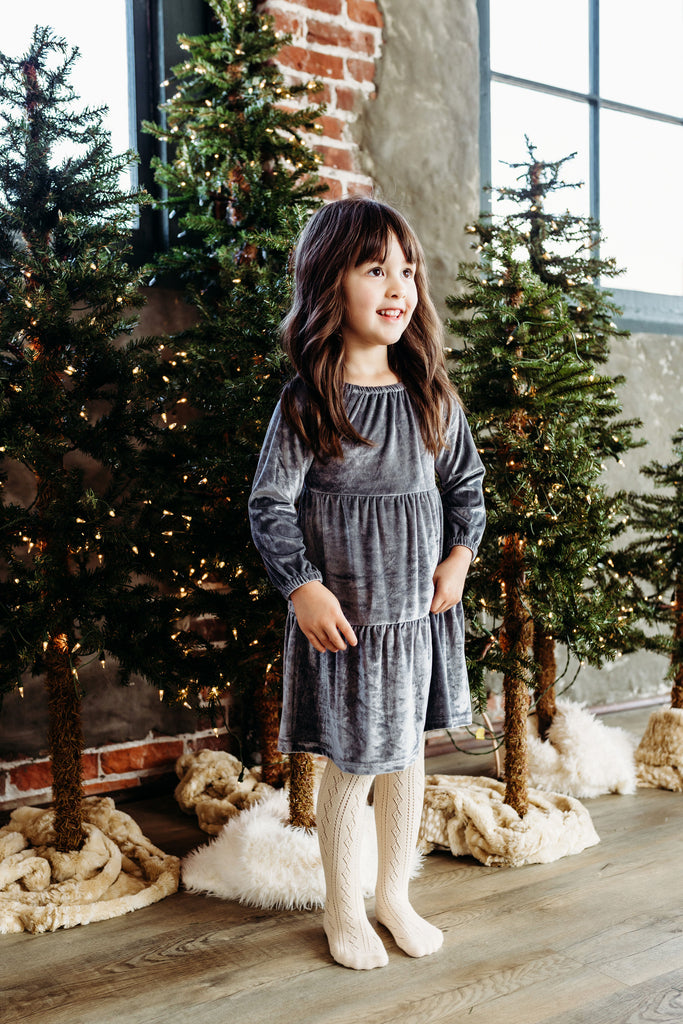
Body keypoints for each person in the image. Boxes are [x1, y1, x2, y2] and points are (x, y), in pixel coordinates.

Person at [249, 196, 485, 971]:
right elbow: (269, 504)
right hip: (346, 623)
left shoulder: (428, 393)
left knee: (407, 755)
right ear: (330, 282)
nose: (398, 287)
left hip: (415, 618)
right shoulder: (307, 401)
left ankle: (393, 897)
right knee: (353, 764)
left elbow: (466, 488)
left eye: (407, 271)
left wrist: (459, 556)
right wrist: (301, 586)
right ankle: (342, 911)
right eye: (375, 269)